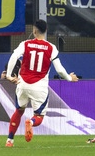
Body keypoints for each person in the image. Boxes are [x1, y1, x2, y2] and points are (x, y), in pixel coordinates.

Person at [5, 19, 78, 147]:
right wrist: (69, 78)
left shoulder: (25, 44)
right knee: (38, 116)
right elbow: (59, 69)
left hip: (22, 83)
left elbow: (14, 57)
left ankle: (9, 141)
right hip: (39, 85)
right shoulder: (51, 48)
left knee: (19, 111)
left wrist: (9, 75)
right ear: (46, 31)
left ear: (34, 31)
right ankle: (31, 123)